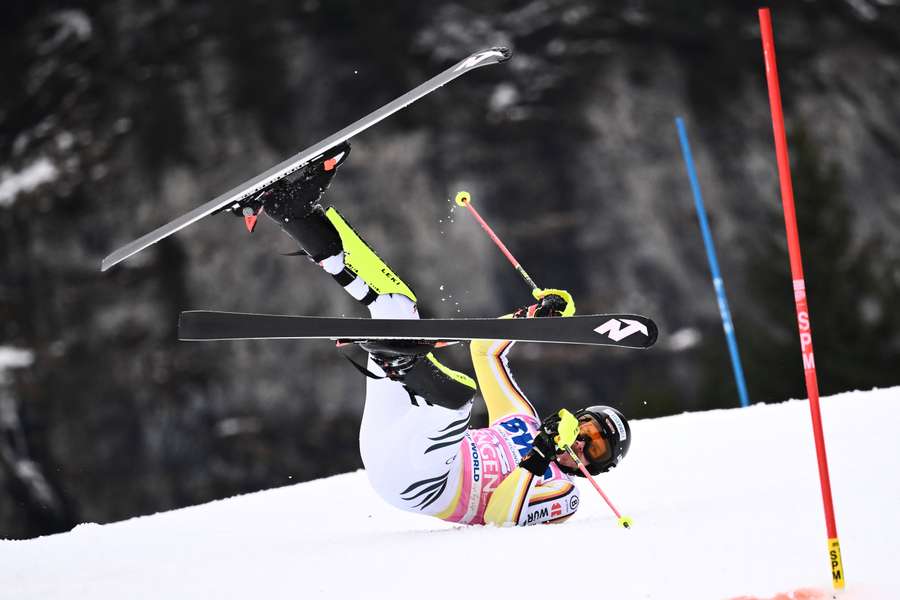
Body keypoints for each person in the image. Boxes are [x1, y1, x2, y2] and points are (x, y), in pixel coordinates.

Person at [258, 142, 631, 526]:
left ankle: (401, 360)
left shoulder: (563, 494)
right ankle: (293, 213)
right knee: (396, 305)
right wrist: (534, 317)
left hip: (421, 482)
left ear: (597, 467)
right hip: (394, 440)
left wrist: (540, 455)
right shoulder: (523, 419)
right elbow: (486, 351)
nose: (582, 442)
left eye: (596, 447)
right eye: (587, 428)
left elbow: (502, 517)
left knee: (459, 398)